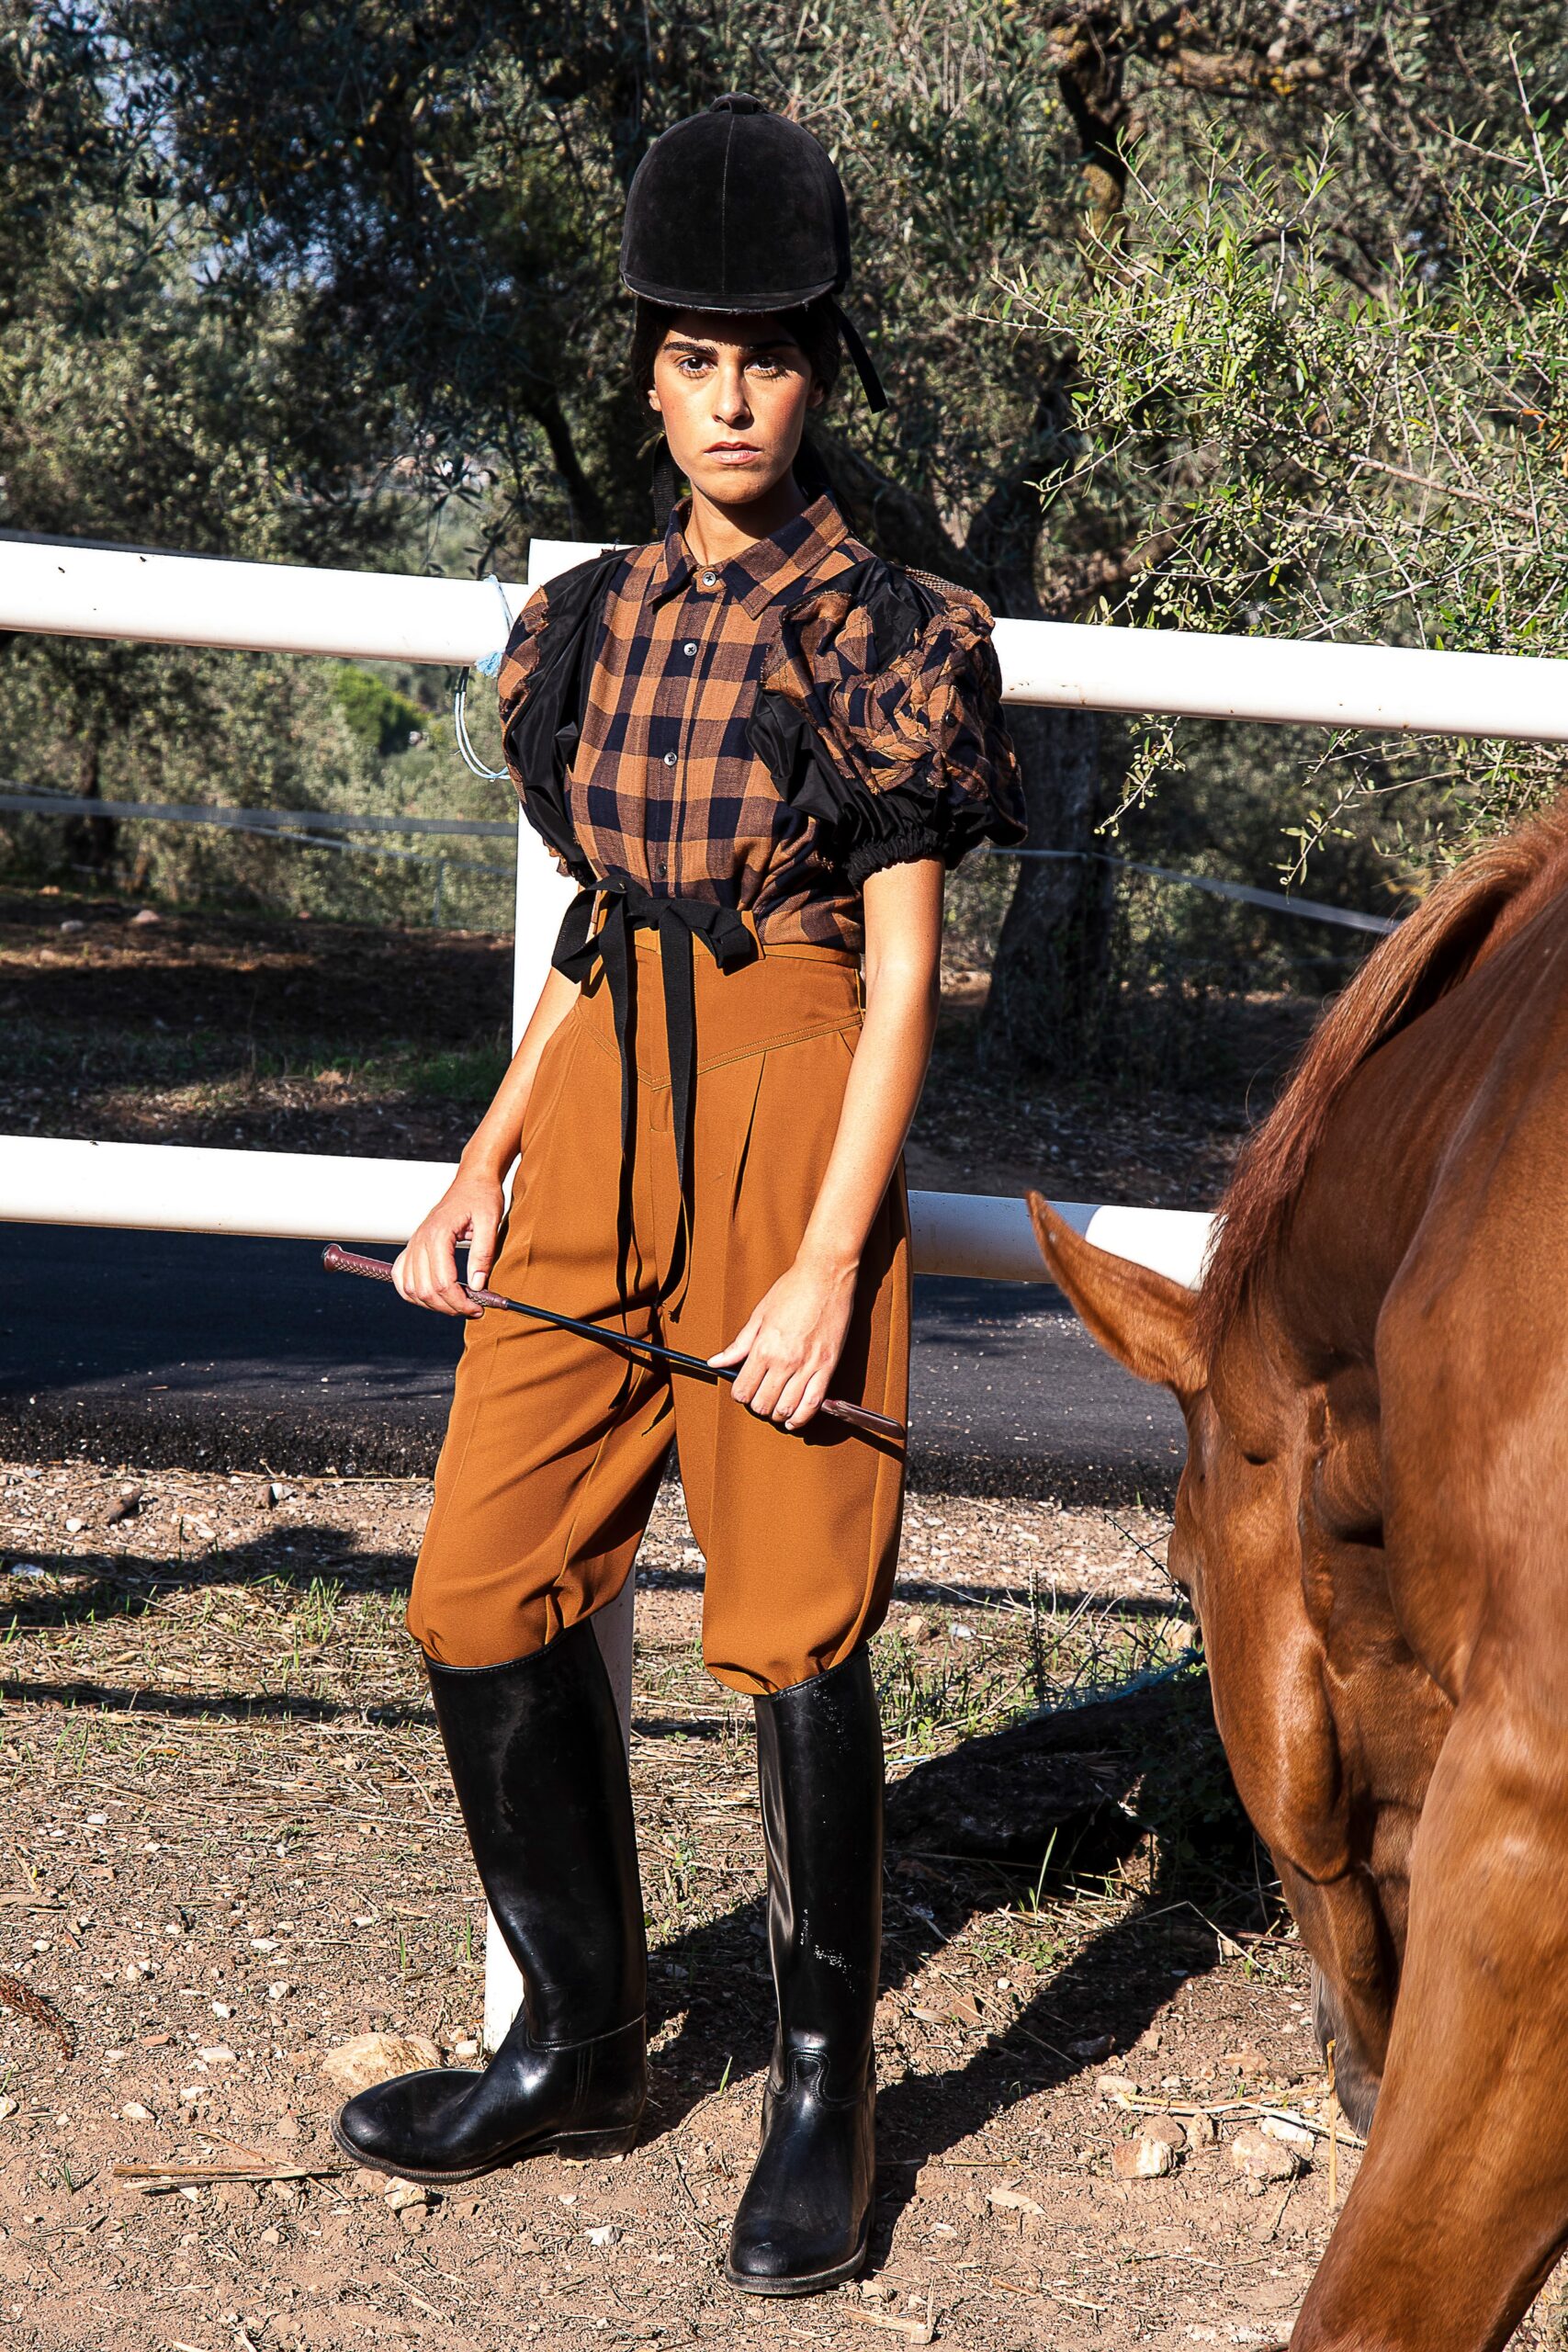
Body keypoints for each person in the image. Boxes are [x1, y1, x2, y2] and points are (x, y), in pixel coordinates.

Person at [331, 95, 1026, 2297]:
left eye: (770, 360)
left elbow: (901, 978)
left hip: (786, 1099)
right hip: (598, 1107)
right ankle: (580, 2035)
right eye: (695, 358)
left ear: (818, 376)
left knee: (791, 1612)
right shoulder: (587, 620)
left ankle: (826, 2091)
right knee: (478, 1576)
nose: (730, 400)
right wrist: (482, 1155)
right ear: (645, 373)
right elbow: (590, 931)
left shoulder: (889, 631)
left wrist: (822, 1257)